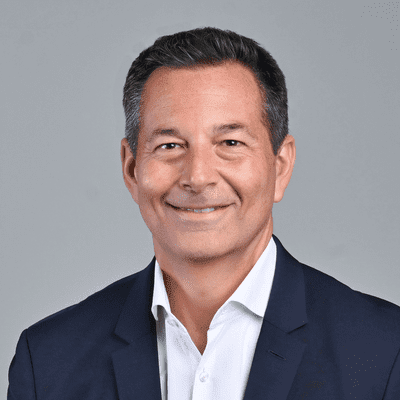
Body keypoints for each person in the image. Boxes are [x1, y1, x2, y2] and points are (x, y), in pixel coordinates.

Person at [8, 27, 400, 400]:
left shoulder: (384, 352)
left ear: (280, 167)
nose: (197, 177)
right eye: (170, 146)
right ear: (131, 169)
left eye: (230, 143)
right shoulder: (49, 362)